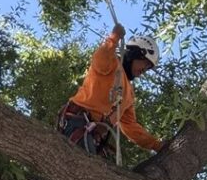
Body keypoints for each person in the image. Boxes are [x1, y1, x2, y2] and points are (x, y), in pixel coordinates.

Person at [57, 24, 163, 157]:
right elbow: (100, 58)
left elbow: (131, 127)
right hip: (78, 121)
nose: (144, 70)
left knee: (96, 168)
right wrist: (114, 37)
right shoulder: (112, 63)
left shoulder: (129, 94)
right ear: (135, 54)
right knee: (89, 168)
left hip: (93, 134)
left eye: (148, 68)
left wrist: (156, 145)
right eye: (145, 63)